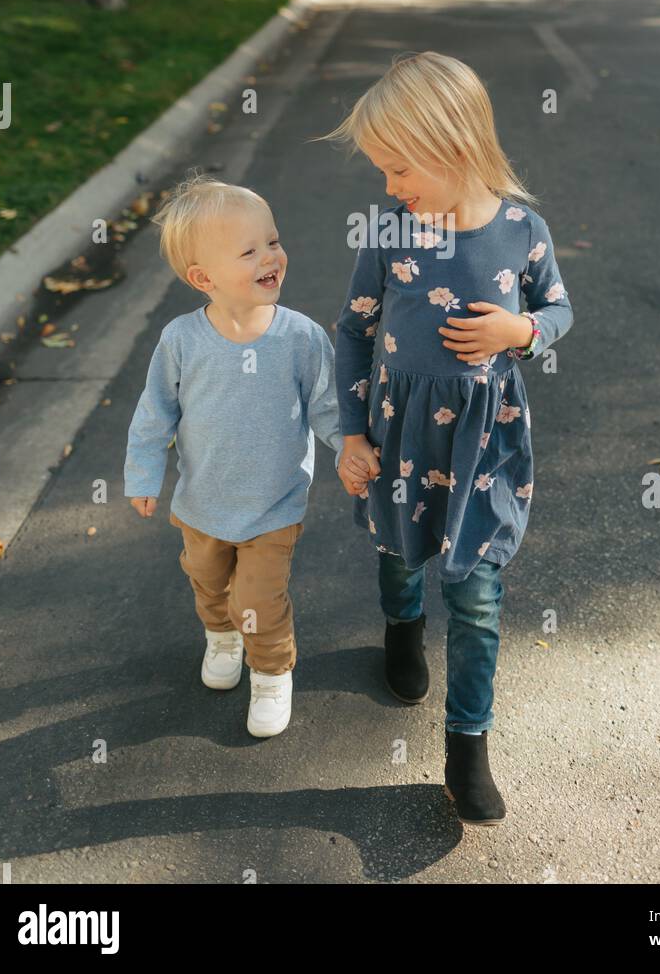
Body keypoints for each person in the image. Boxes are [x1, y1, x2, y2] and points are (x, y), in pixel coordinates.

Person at [318, 52, 574, 825]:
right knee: (399, 553)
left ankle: (467, 749)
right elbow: (354, 330)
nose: (389, 187)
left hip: (484, 443)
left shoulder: (522, 232)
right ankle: (401, 627)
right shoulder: (389, 233)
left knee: (477, 592)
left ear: (456, 144)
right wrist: (351, 433)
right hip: (399, 438)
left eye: (399, 169)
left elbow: (559, 311)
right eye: (382, 172)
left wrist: (522, 330)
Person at [123, 173, 370, 737]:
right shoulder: (182, 341)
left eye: (274, 241)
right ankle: (222, 636)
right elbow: (154, 412)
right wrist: (143, 474)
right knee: (209, 583)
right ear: (203, 278)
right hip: (202, 504)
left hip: (273, 505)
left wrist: (348, 450)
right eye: (249, 250)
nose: (270, 256)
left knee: (259, 595)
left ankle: (270, 674)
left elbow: (328, 407)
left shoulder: (301, 338)